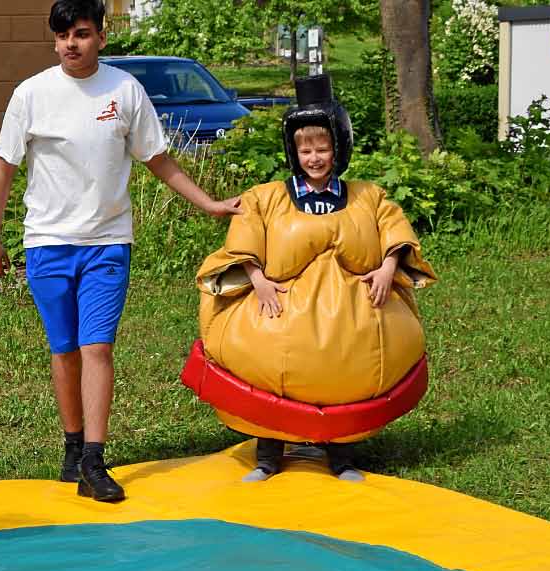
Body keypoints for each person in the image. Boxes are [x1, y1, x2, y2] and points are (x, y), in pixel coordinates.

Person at [0, 0, 242, 503]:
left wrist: (209, 203)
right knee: (64, 350)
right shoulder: (31, 93)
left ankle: (94, 460)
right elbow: (5, 167)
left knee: (97, 347)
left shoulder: (124, 90)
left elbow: (159, 160)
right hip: (48, 242)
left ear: (101, 36)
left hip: (106, 243)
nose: (70, 44)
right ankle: (72, 446)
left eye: (81, 34)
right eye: (62, 36)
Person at [187, 75, 438, 481]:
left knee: (346, 376)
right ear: (294, 152)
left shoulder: (368, 196)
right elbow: (243, 239)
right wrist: (257, 278)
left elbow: (395, 230)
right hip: (277, 308)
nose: (315, 158)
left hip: (353, 319)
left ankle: (341, 457)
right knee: (265, 373)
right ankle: (269, 455)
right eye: (305, 150)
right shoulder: (266, 197)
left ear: (339, 147)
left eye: (322, 148)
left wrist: (388, 266)